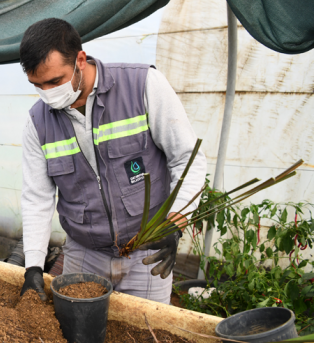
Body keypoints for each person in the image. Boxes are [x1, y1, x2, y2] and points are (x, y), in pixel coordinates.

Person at [18, 19, 206, 304]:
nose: (48, 93)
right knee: (77, 338)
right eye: (37, 85)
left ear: (80, 59)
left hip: (146, 254)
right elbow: (37, 197)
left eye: (55, 81)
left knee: (145, 338)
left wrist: (174, 224)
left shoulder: (141, 86)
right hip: (84, 255)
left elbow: (187, 160)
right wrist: (33, 265)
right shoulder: (37, 122)